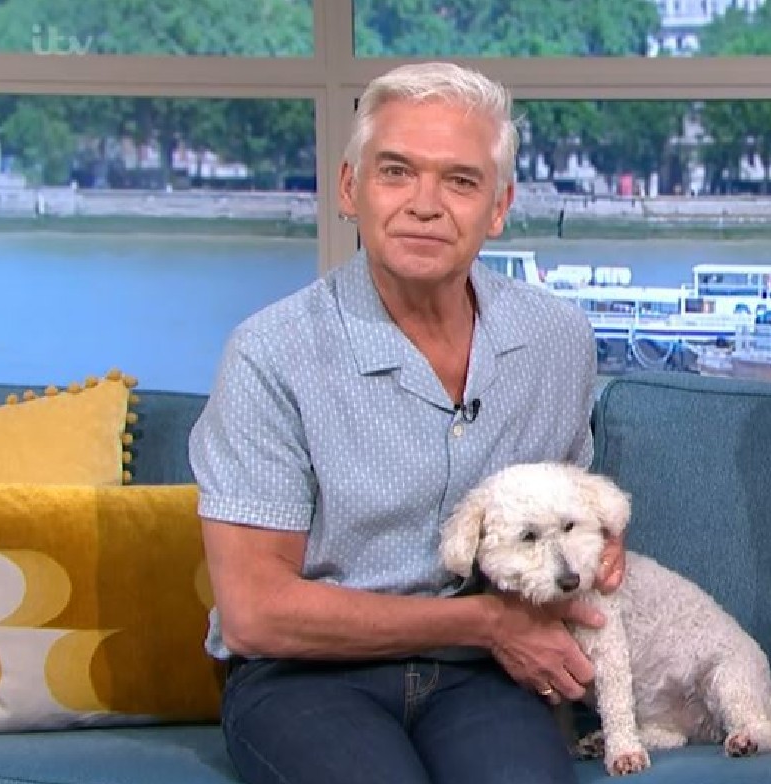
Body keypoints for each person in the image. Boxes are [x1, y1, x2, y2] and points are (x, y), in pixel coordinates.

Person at [188, 62, 623, 784]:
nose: (425, 205)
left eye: (460, 181)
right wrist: (485, 623)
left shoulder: (557, 338)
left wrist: (598, 547)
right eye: (396, 172)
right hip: (305, 676)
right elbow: (255, 613)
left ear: (499, 206)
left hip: (481, 677)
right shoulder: (271, 353)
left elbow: (567, 505)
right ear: (350, 188)